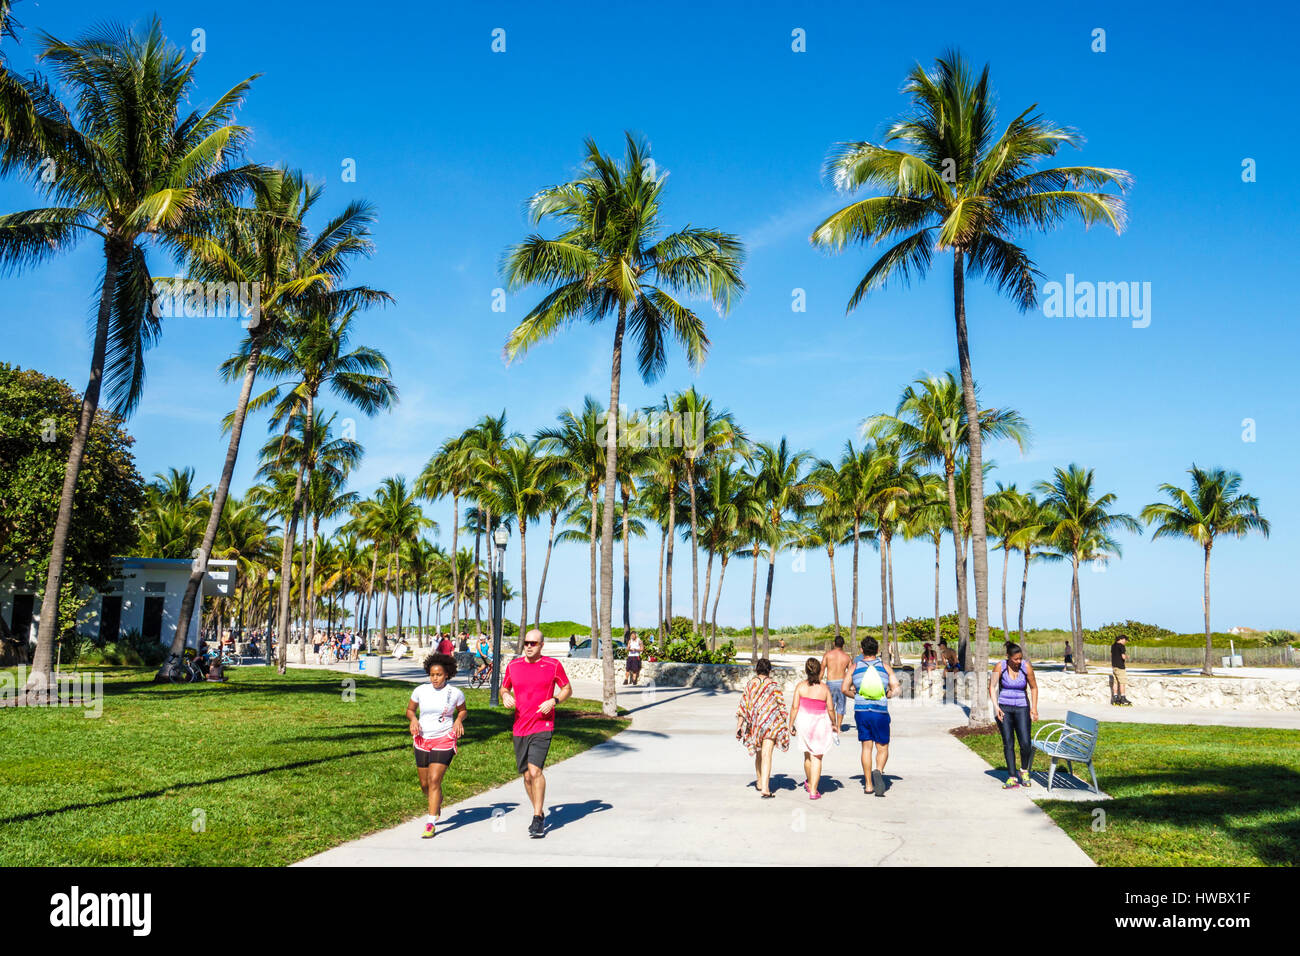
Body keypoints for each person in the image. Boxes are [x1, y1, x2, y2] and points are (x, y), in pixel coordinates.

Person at [502, 628, 572, 838]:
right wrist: (505, 695)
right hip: (520, 726)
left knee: (535, 771)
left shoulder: (552, 665)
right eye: (526, 643)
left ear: (542, 645)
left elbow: (567, 688)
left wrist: (554, 700)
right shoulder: (513, 666)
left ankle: (536, 817)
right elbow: (504, 687)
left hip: (543, 725)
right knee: (526, 776)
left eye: (534, 643)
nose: (529, 646)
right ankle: (539, 812)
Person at [406, 652, 467, 839]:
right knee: (424, 784)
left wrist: (458, 721)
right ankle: (436, 800)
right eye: (432, 674)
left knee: (434, 780)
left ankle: (431, 822)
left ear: (447, 674)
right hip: (423, 739)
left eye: (439, 674)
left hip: (444, 739)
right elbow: (410, 710)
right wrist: (413, 719)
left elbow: (463, 711)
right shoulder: (420, 690)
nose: (435, 678)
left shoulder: (455, 693)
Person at [842, 637, 900, 797]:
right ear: (877, 650)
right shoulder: (885, 667)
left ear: (862, 650)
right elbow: (896, 688)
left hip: (862, 712)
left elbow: (844, 688)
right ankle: (879, 771)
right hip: (880, 711)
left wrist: (858, 696)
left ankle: (868, 785)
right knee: (882, 747)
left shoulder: (854, 667)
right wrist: (887, 695)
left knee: (866, 747)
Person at [734, 658, 791, 798]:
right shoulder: (774, 685)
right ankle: (764, 786)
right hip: (771, 725)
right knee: (766, 754)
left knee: (759, 753)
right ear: (769, 671)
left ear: (756, 670)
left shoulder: (750, 684)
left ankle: (760, 782)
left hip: (755, 725)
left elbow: (743, 706)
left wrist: (739, 725)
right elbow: (781, 707)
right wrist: (784, 724)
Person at [990, 641, 1039, 789]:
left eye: (1020, 658)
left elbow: (1034, 687)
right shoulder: (1000, 666)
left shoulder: (1026, 667)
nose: (1018, 661)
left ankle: (1023, 770)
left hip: (1022, 708)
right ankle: (1012, 776)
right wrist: (996, 706)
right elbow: (991, 686)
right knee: (1008, 743)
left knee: (1025, 743)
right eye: (1015, 659)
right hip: (1004, 708)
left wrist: (1034, 709)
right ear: (1008, 657)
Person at [789, 658, 835, 799]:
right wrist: (834, 723)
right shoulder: (824, 688)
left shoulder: (801, 687)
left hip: (803, 722)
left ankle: (809, 783)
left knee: (807, 754)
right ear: (819, 670)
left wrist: (790, 724)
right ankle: (814, 791)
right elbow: (831, 709)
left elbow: (795, 707)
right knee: (817, 756)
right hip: (819, 723)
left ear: (806, 670)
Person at [820, 636, 852, 731]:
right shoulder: (847, 657)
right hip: (842, 683)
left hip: (830, 682)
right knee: (841, 705)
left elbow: (822, 670)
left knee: (830, 705)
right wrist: (851, 685)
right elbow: (851, 673)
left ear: (834, 643)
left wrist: (818, 682)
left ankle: (832, 725)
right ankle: (838, 727)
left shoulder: (828, 655)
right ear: (843, 645)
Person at [1110, 634, 1130, 706]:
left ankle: (1115, 698)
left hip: (1114, 666)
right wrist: (1127, 657)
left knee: (1115, 682)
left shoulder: (1113, 645)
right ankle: (1123, 698)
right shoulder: (1121, 646)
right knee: (1122, 682)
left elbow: (1111, 655)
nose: (1125, 642)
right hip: (1120, 667)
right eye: (1125, 640)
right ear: (1122, 639)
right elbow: (1123, 657)